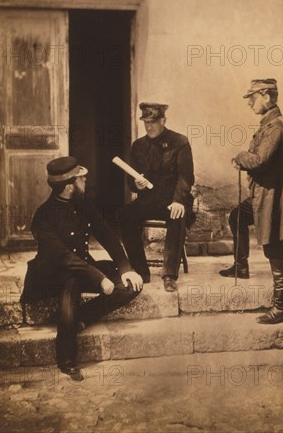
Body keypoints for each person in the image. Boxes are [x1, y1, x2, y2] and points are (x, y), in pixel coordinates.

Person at [21, 157, 143, 381]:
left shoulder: (83, 204)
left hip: (83, 267)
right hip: (54, 274)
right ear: (69, 186)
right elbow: (64, 258)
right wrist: (99, 278)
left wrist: (126, 269)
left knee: (132, 284)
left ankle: (81, 318)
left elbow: (106, 234)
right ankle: (66, 359)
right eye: (81, 178)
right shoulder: (43, 216)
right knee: (71, 287)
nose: (86, 180)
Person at [219, 79, 283, 324]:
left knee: (273, 247)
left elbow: (260, 160)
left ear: (266, 95)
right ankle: (241, 266)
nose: (250, 103)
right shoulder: (268, 125)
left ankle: (281, 307)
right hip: (261, 194)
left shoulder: (276, 126)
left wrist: (240, 157)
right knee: (237, 216)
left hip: (273, 196)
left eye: (252, 97)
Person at [119, 102, 195, 292]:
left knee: (177, 214)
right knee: (124, 215)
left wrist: (179, 200)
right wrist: (136, 184)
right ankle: (140, 270)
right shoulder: (138, 146)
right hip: (149, 200)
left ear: (163, 120)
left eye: (153, 122)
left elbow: (186, 177)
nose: (149, 127)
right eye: (146, 122)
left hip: (173, 199)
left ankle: (169, 275)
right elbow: (131, 179)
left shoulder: (180, 142)